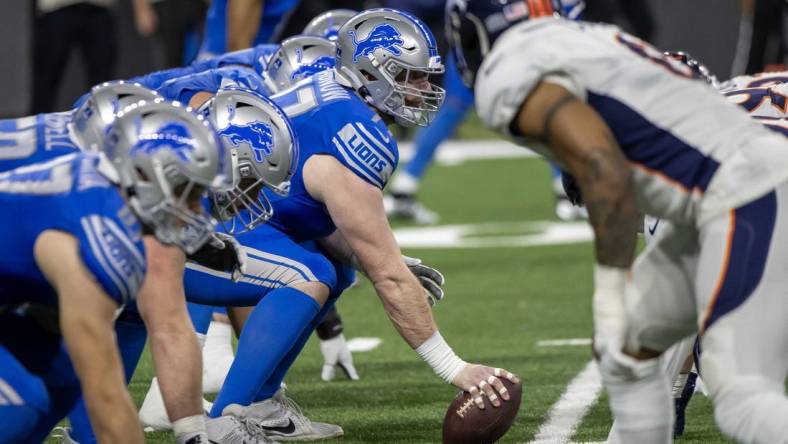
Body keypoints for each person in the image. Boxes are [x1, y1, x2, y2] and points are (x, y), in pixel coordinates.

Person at [448, 0, 788, 442]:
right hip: (733, 185)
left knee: (741, 394)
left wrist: (608, 295)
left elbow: (603, 167)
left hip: (745, 190)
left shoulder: (510, 73)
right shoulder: (597, 39)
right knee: (629, 348)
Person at [190, 9, 517, 443]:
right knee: (310, 276)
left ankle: (261, 405)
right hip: (187, 235)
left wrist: (379, 260)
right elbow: (389, 278)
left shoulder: (335, 91)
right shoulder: (355, 130)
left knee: (337, 268)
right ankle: (227, 419)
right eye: (409, 76)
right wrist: (454, 367)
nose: (423, 89)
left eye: (423, 77)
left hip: (228, 218)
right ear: (370, 72)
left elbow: (304, 206)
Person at [0, 99, 230, 443]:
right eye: (189, 193)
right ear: (143, 176)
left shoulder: (109, 199)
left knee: (66, 378)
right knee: (22, 400)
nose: (197, 210)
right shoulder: (100, 234)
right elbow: (106, 396)